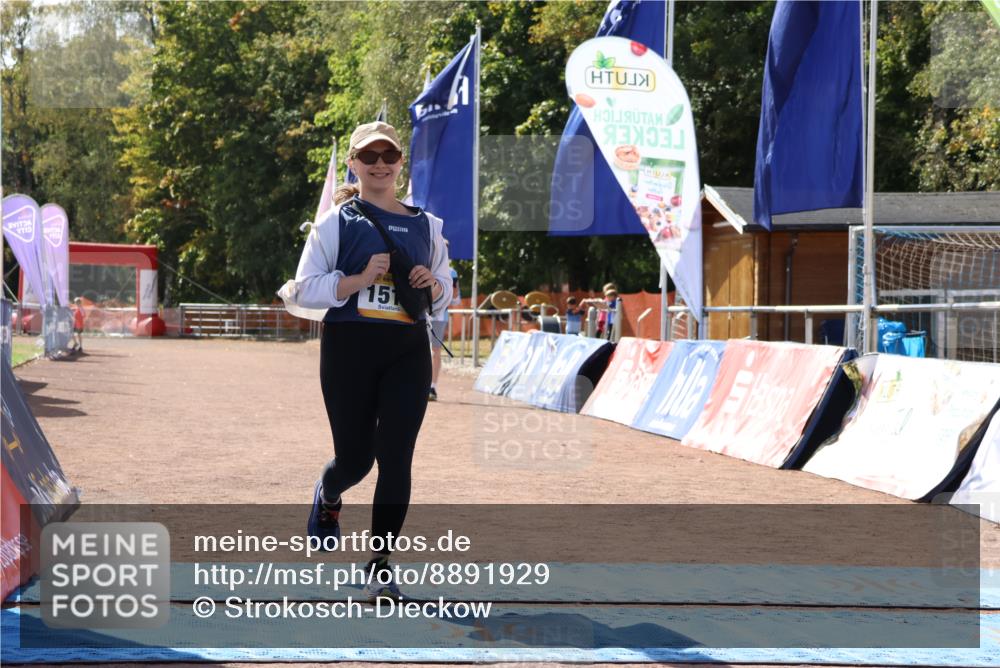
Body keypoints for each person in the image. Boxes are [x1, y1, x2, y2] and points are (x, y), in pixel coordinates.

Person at [288, 121, 452, 602]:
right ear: (354, 164)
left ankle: (380, 566)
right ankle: (330, 491)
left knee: (397, 457)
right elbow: (301, 292)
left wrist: (432, 284)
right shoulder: (336, 221)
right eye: (369, 155)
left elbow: (444, 295)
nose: (380, 163)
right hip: (349, 347)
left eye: (389, 154)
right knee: (356, 460)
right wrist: (355, 280)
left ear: (401, 163)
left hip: (406, 350)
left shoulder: (428, 225)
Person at [429, 250, 459, 401]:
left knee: (435, 351)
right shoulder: (423, 263)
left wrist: (452, 290)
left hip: (439, 317)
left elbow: (455, 299)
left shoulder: (452, 272)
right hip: (420, 314)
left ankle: (432, 387)